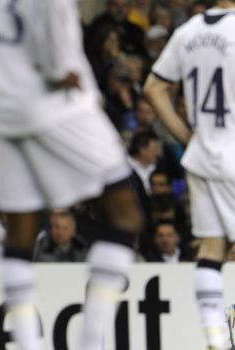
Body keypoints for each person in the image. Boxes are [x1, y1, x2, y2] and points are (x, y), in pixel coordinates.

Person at [0, 1, 144, 349]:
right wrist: (56, 69)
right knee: (125, 218)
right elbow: (55, 14)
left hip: (9, 107)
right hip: (57, 103)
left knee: (19, 238)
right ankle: (91, 342)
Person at [143, 1, 235, 348]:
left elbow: (153, 88)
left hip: (201, 156)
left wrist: (186, 137)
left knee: (211, 248)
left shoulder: (188, 31)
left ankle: (215, 334)